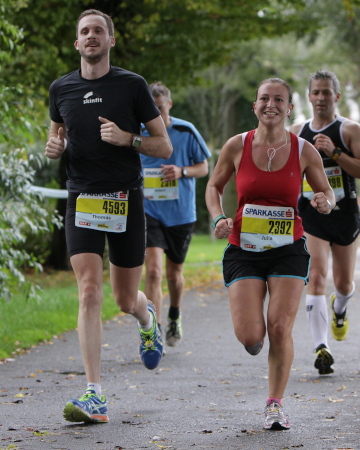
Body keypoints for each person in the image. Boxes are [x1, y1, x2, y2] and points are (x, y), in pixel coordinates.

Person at [44, 9, 172, 424]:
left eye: (98, 30)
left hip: (124, 199)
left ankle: (147, 318)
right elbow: (57, 135)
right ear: (77, 43)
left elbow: (164, 145)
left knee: (123, 300)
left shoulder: (132, 85)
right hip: (81, 198)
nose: (91, 36)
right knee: (88, 291)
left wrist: (127, 139)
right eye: (84, 31)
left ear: (110, 40)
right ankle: (94, 394)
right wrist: (55, 148)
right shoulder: (60, 88)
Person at [205, 78, 335, 430]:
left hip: (287, 248)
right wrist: (218, 217)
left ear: (289, 108)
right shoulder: (236, 145)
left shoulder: (304, 150)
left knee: (279, 327)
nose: (270, 104)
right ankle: (255, 340)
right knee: (251, 336)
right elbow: (214, 186)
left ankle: (274, 404)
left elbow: (327, 192)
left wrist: (324, 201)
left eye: (279, 99)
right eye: (264, 98)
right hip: (244, 249)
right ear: (255, 105)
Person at [289, 70, 360, 376]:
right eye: (316, 92)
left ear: (336, 97)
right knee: (316, 276)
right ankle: (321, 347)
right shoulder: (297, 131)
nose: (321, 98)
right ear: (309, 96)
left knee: (343, 284)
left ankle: (340, 309)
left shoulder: (349, 129)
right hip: (311, 214)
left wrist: (335, 152)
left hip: (344, 214)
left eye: (326, 92)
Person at [140, 81, 211, 347]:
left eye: (160, 108)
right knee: (153, 271)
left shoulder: (185, 130)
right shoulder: (138, 134)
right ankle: (153, 331)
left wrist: (182, 171)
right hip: (149, 211)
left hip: (180, 214)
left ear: (169, 104)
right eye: (151, 109)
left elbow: (204, 167)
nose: (156, 114)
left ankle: (174, 315)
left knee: (173, 274)